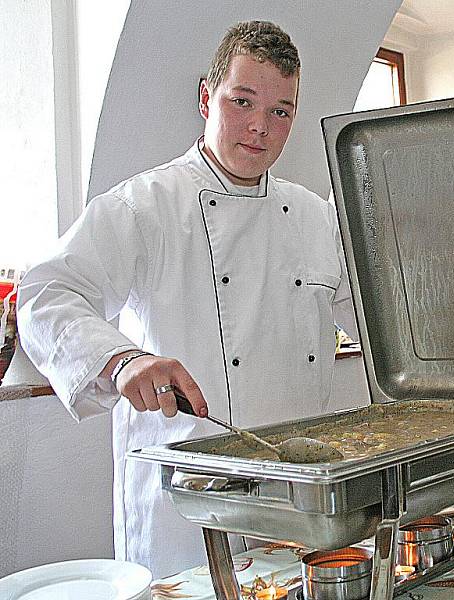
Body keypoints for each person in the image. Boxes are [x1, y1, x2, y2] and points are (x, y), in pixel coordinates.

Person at [17, 21, 354, 578]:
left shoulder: (315, 216)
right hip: (187, 499)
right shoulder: (144, 204)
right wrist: (124, 360)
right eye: (242, 101)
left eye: (280, 111)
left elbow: (372, 318)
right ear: (206, 96)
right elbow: (46, 293)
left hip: (293, 493)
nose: (259, 127)